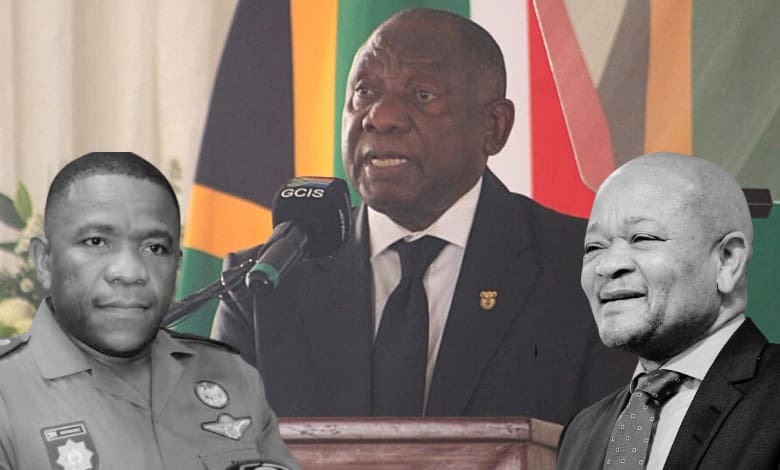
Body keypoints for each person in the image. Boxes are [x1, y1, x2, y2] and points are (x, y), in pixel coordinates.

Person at [212, 8, 634, 423]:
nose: (380, 117)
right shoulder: (264, 285)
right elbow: (219, 446)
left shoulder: (586, 274)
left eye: (422, 95)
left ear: (494, 127)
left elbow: (622, 446)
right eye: (364, 92)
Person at [0, 152, 299, 470]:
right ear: (44, 261)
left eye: (155, 248)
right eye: (96, 242)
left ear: (177, 265)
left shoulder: (232, 376)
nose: (130, 272)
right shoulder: (7, 391)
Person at [556, 152, 780, 470]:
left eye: (643, 238)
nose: (607, 265)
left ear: (727, 260)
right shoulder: (581, 433)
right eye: (594, 247)